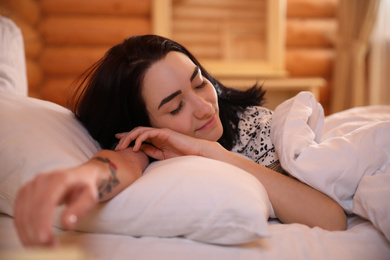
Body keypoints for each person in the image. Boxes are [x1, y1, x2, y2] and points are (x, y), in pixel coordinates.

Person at [14, 35, 347, 247]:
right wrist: (78, 178)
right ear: (141, 127)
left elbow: (332, 218)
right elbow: (122, 162)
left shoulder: (256, 127)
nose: (204, 108)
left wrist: (211, 152)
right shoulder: (155, 148)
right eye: (175, 107)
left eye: (200, 83)